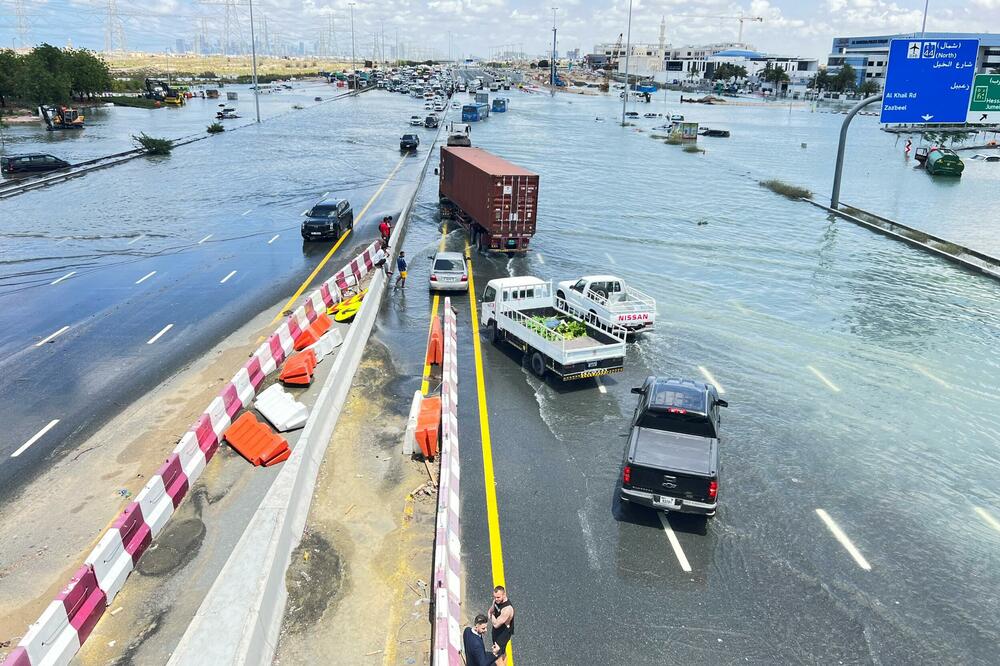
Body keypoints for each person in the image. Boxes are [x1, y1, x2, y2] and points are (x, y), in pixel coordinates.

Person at [488, 586, 514, 666]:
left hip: (503, 633)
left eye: (498, 597)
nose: (496, 599)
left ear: (504, 594)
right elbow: (490, 611)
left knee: (497, 657)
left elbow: (496, 624)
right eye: (495, 597)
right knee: (502, 652)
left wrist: (492, 616)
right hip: (497, 631)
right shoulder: (496, 601)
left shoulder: (507, 609)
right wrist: (492, 616)